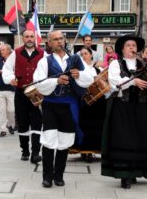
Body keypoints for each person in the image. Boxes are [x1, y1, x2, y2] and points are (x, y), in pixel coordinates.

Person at [101, 35, 147, 189]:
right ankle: (125, 175)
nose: (132, 48)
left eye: (133, 45)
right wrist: (133, 81)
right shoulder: (116, 64)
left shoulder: (145, 63)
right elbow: (114, 82)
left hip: (142, 106)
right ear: (122, 48)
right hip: (123, 107)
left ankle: (137, 171)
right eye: (128, 45)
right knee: (124, 139)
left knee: (141, 138)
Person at [34, 31, 93, 188]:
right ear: (49, 43)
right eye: (55, 39)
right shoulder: (44, 62)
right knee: (48, 140)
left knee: (64, 142)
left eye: (61, 38)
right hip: (51, 105)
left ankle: (58, 176)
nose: (59, 41)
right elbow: (39, 84)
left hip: (69, 105)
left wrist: (79, 74)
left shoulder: (75, 59)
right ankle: (47, 176)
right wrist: (55, 81)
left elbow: (89, 78)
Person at [3, 30, 45, 163]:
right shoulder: (16, 53)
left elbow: (48, 70)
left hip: (37, 93)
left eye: (31, 36)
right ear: (23, 38)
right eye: (26, 37)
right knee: (22, 122)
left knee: (37, 122)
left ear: (35, 38)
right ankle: (25, 150)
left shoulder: (43, 53)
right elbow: (7, 69)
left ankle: (36, 152)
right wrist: (11, 79)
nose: (29, 39)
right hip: (21, 93)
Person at [72, 46, 107, 162]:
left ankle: (94, 150)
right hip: (83, 101)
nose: (83, 56)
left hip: (98, 102)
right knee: (84, 125)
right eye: (81, 54)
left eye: (86, 53)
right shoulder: (78, 70)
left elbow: (106, 82)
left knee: (97, 125)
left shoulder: (98, 69)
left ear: (91, 55)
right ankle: (83, 151)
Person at [0, 44, 15, 137]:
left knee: (11, 110)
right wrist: (0, 71)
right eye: (1, 50)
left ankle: (9, 125)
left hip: (11, 89)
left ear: (9, 51)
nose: (1, 52)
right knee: (1, 110)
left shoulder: (14, 61)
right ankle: (3, 129)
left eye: (3, 50)